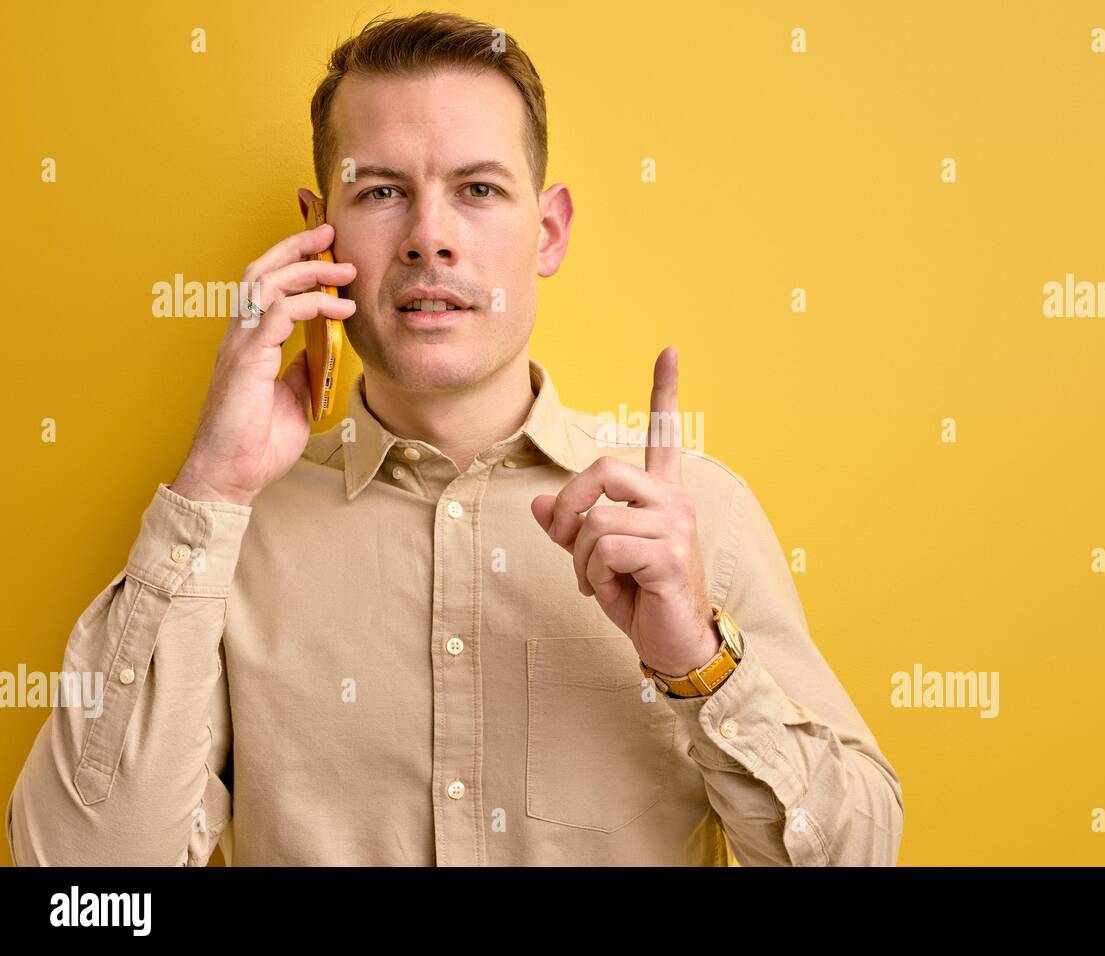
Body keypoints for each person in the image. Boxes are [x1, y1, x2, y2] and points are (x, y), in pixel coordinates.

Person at [6, 10, 902, 866]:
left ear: (547, 231)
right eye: (382, 192)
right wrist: (209, 488)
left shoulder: (693, 516)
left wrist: (698, 663)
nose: (429, 238)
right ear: (320, 233)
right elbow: (85, 892)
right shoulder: (230, 537)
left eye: (477, 190)